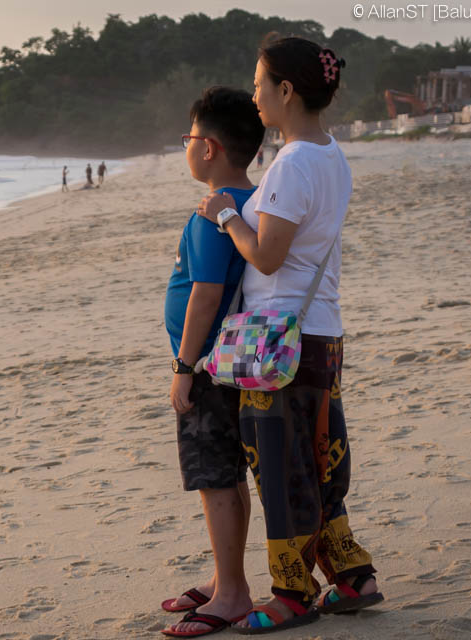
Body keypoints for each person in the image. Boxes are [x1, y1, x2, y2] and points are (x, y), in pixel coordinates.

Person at [196, 37, 382, 634]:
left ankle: (292, 593)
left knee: (281, 467)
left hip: (279, 342)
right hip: (320, 331)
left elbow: (268, 257)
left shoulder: (294, 162)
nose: (253, 94)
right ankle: (353, 578)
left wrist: (226, 215)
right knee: (321, 462)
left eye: (259, 83)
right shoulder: (332, 155)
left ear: (286, 90)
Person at [160, 87, 265, 638]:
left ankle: (232, 593)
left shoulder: (212, 212)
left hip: (206, 365)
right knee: (228, 474)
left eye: (189, 136)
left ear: (209, 147)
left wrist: (183, 366)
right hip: (231, 360)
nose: (187, 146)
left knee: (214, 479)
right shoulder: (250, 204)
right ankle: (229, 577)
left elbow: (204, 292)